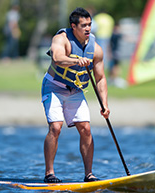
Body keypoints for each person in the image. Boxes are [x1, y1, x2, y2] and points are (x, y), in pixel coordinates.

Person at [41, 7, 110, 183]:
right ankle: (50, 173)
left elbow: (100, 78)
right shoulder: (61, 39)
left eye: (90, 25)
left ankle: (89, 174)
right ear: (73, 26)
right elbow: (57, 58)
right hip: (54, 87)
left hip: (76, 91)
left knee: (86, 129)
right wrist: (75, 60)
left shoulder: (96, 49)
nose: (88, 29)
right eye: (84, 25)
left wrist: (104, 104)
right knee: (55, 127)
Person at [109, 24, 127, 88]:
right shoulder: (116, 35)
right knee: (116, 66)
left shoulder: (112, 35)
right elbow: (125, 37)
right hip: (116, 52)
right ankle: (115, 79)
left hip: (114, 52)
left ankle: (112, 79)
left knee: (113, 66)